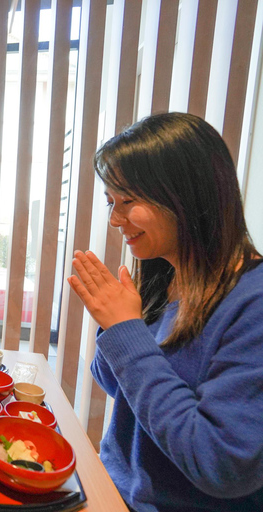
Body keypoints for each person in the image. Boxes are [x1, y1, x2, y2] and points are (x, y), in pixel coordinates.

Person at [67, 112, 263, 512]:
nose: (115, 220)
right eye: (110, 202)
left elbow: (221, 463)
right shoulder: (166, 274)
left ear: (185, 194)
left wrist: (125, 329)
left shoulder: (252, 301)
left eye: (128, 201)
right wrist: (116, 326)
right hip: (112, 491)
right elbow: (119, 387)